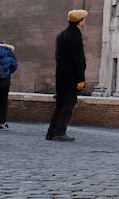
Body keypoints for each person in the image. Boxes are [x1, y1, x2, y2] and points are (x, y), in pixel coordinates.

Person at [46, 10, 89, 141]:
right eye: (83, 19)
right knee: (68, 106)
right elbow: (78, 59)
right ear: (79, 21)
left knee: (59, 105)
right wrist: (80, 79)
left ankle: (51, 132)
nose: (84, 21)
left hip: (61, 77)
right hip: (71, 78)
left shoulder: (61, 35)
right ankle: (59, 132)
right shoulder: (75, 36)